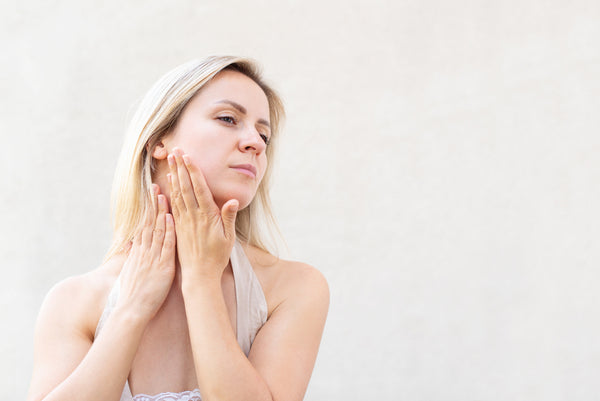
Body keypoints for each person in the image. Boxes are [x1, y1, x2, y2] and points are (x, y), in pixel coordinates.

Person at [26, 56, 329, 401]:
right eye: (228, 119)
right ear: (159, 140)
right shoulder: (73, 300)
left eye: (264, 135)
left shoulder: (293, 288)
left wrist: (201, 280)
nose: (256, 144)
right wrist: (132, 309)